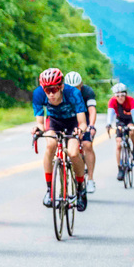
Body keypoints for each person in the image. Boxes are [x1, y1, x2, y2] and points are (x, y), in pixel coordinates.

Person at [31, 68, 89, 211]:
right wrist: (38, 129)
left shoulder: (73, 93)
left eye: (54, 89)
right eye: (47, 90)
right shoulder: (38, 94)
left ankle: (81, 188)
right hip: (54, 121)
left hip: (72, 122)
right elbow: (40, 122)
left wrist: (79, 131)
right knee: (50, 145)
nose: (51, 94)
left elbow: (82, 122)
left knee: (73, 153)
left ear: (61, 86)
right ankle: (49, 190)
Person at [64, 71, 98, 193]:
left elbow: (92, 110)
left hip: (85, 119)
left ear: (81, 84)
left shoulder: (87, 92)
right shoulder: (62, 93)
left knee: (87, 145)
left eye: (76, 87)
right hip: (70, 119)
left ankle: (90, 179)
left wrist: (91, 125)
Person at [106, 82, 134, 180]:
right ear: (115, 96)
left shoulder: (131, 100)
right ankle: (120, 168)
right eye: (118, 95)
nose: (120, 97)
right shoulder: (112, 101)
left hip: (130, 120)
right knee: (118, 144)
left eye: (122, 95)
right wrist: (109, 124)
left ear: (126, 94)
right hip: (120, 121)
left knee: (131, 131)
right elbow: (110, 113)